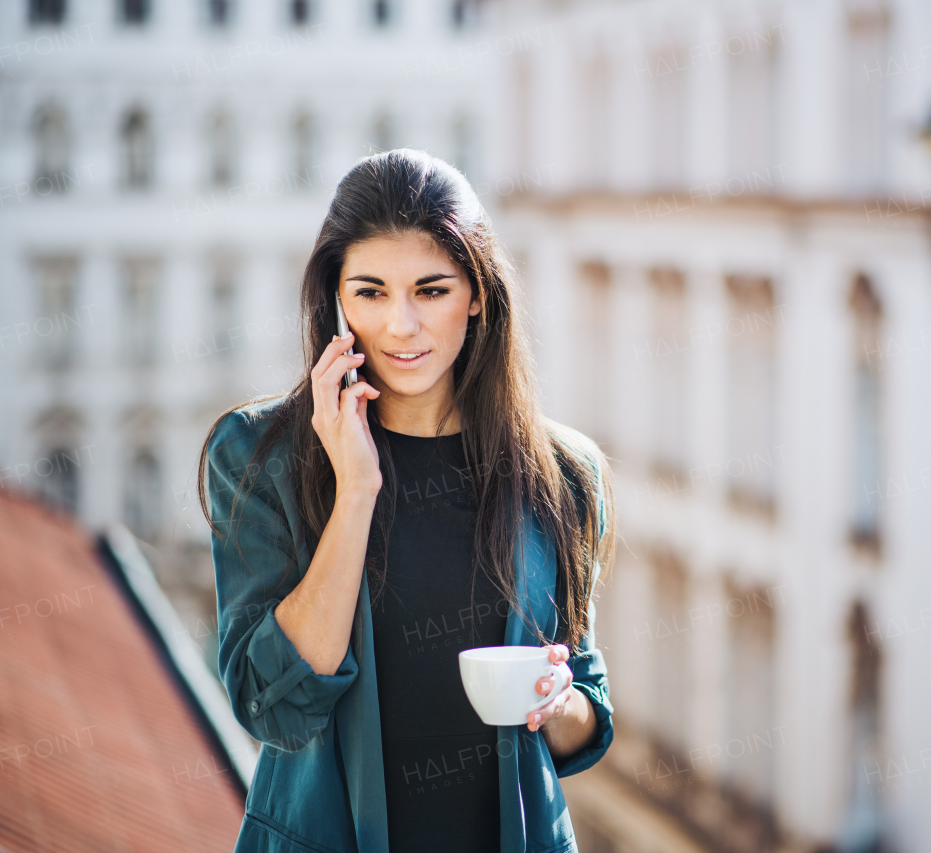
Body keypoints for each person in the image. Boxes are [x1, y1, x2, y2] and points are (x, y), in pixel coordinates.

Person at [196, 148, 616, 853]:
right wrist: (356, 487)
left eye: (431, 290)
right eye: (370, 292)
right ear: (336, 297)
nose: (401, 326)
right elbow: (273, 707)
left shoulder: (565, 473)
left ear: (477, 293)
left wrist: (556, 699)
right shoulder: (255, 456)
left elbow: (586, 719)